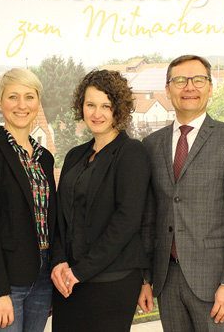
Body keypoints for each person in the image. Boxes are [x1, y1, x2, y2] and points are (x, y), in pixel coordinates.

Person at [139, 55, 224, 332]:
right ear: (168, 90)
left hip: (216, 283)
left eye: (198, 80)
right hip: (167, 279)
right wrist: (145, 278)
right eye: (179, 80)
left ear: (210, 88)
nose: (189, 87)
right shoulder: (152, 144)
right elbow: (149, 217)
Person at [50, 70, 150, 332]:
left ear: (119, 109)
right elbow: (60, 216)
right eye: (91, 104)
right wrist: (59, 262)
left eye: (106, 106)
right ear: (81, 107)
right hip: (68, 280)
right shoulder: (74, 156)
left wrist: (80, 271)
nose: (97, 113)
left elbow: (126, 221)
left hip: (111, 281)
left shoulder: (132, 153)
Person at [0, 69, 56, 332]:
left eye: (29, 97)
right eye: (13, 97)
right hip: (2, 279)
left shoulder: (44, 158)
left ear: (38, 103)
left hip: (41, 277)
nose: (21, 105)